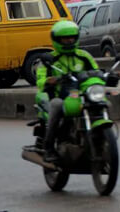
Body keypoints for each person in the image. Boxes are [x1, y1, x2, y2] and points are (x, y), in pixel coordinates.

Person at [36, 20, 101, 163]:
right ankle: (49, 148)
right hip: (58, 95)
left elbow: (95, 71)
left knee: (100, 101)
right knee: (57, 105)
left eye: (72, 37)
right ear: (57, 40)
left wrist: (110, 75)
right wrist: (50, 80)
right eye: (65, 38)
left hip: (81, 94)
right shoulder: (50, 59)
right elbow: (40, 79)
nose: (69, 41)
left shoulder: (83, 55)